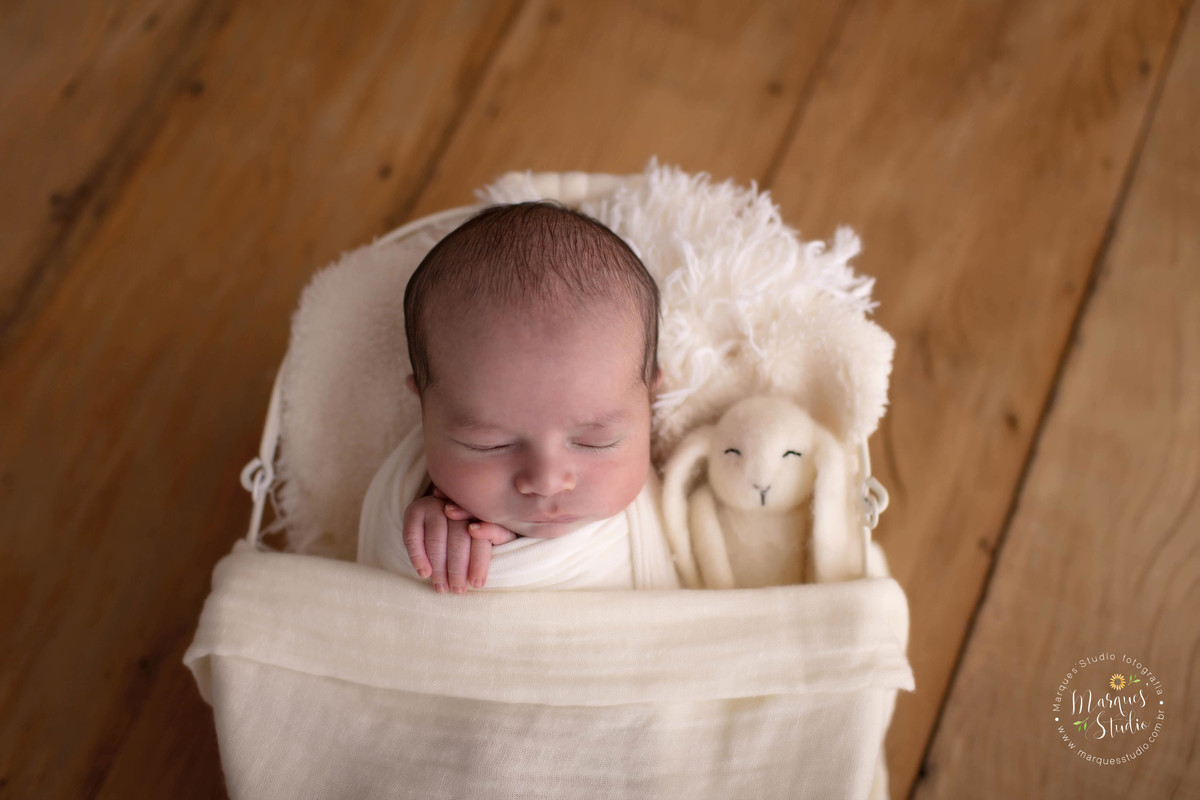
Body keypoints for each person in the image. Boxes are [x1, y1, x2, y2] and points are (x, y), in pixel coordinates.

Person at [357, 201, 678, 593]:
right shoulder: (412, 490)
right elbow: (376, 593)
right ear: (424, 409)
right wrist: (426, 535)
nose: (546, 482)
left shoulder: (675, 490)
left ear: (649, 403)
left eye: (596, 442)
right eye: (491, 444)